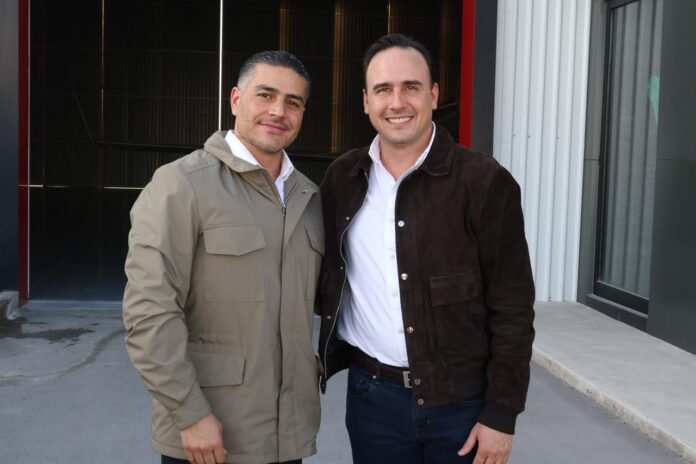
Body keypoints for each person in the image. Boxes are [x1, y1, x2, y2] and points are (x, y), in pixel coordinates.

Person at [317, 34, 535, 464]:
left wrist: (501, 414)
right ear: (366, 101)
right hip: (372, 399)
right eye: (383, 89)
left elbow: (512, 307)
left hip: (462, 404)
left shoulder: (484, 183)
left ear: (433, 95)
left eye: (411, 87)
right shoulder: (342, 179)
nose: (397, 102)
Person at [123, 50, 324, 464]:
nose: (278, 111)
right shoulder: (181, 185)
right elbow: (149, 312)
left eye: (293, 102)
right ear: (235, 99)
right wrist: (189, 414)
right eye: (265, 95)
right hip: (209, 436)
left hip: (288, 435)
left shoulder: (308, 197)